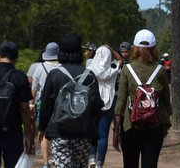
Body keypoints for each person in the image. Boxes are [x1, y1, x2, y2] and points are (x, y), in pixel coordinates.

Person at [38, 33, 101, 168]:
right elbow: (96, 106)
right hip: (83, 134)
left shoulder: (54, 75)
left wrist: (43, 128)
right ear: (79, 52)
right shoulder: (89, 75)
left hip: (59, 132)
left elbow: (45, 105)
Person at [112, 29, 171, 168]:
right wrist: (165, 125)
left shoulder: (127, 70)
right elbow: (166, 102)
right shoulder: (160, 70)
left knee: (130, 164)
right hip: (154, 127)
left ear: (134, 48)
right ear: (154, 48)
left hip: (130, 127)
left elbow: (120, 102)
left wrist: (116, 131)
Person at [86, 42, 123, 168]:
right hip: (108, 102)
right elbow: (120, 59)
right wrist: (110, 48)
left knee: (93, 132)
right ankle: (100, 163)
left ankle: (91, 158)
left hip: (93, 103)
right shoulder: (112, 68)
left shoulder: (91, 67)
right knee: (103, 135)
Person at [27, 42, 60, 168]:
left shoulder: (39, 68)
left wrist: (32, 105)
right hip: (59, 105)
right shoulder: (62, 67)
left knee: (43, 132)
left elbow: (34, 88)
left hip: (43, 104)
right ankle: (57, 159)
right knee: (58, 132)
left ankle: (46, 162)